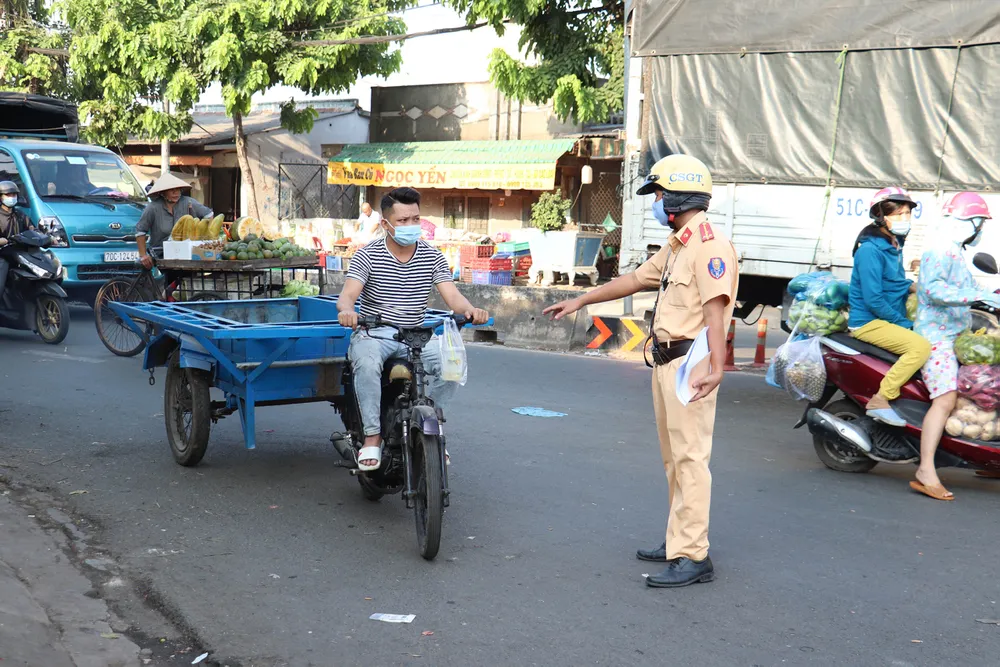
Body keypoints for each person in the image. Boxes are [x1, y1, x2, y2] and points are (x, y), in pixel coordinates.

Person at [544, 154, 739, 588]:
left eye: (658, 194)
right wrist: (581, 300)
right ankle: (678, 540)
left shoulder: (709, 245)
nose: (655, 202)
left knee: (691, 459)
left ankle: (694, 554)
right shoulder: (678, 245)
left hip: (691, 364)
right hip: (667, 363)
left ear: (677, 196)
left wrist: (717, 367)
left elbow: (716, 310)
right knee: (674, 459)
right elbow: (634, 280)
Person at [336, 187, 489, 471]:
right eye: (403, 220)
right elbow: (347, 296)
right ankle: (372, 437)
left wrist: (471, 311)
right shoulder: (367, 256)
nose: (411, 225)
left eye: (415, 219)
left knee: (451, 364)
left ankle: (433, 428)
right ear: (386, 224)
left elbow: (453, 297)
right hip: (375, 333)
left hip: (416, 335)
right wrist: (347, 311)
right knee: (366, 364)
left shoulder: (432, 256)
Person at [911, 192, 1000, 500]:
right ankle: (925, 470)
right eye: (980, 223)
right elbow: (933, 290)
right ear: (968, 221)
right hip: (937, 338)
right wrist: (976, 297)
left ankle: (986, 458)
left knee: (984, 389)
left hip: (957, 334)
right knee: (946, 399)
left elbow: (966, 286)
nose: (981, 229)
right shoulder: (939, 250)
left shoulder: (954, 250)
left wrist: (991, 294)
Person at [848, 187, 931, 426]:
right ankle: (881, 397)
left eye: (907, 213)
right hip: (868, 322)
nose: (905, 219)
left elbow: (894, 281)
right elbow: (873, 299)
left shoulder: (893, 244)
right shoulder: (870, 251)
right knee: (920, 347)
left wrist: (919, 289)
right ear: (881, 216)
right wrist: (904, 324)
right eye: (898, 214)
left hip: (887, 316)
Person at [135, 172, 213, 269]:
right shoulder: (153, 207)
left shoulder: (188, 202)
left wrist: (204, 235)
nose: (176, 192)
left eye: (178, 189)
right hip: (161, 255)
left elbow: (209, 215)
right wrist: (143, 255)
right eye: (171, 190)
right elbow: (140, 231)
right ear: (163, 192)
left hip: (187, 254)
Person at [0, 181, 31, 303]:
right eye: (8, 195)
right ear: (1, 197)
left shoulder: (20, 214)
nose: (12, 197)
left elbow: (32, 229)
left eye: (14, 194)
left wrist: (46, 236)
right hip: (4, 254)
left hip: (21, 252)